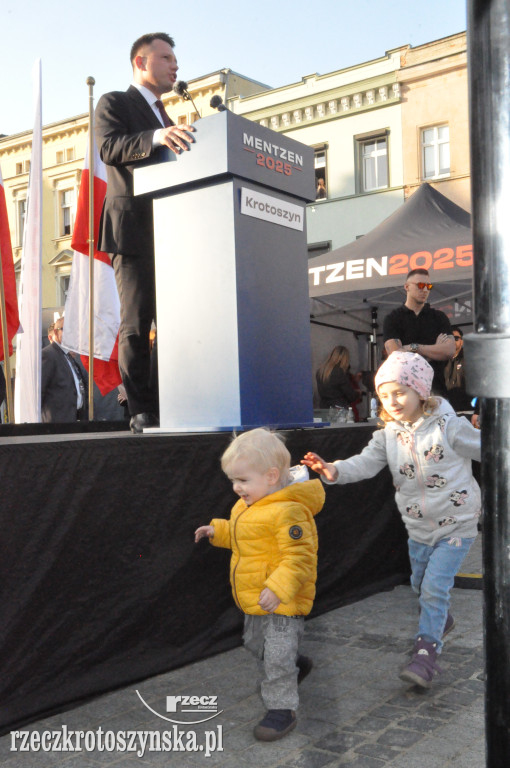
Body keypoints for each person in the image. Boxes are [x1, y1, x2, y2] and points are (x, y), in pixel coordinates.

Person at [302, 351, 481, 689]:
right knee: (421, 587)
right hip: (417, 527)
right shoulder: (388, 434)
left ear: (421, 391)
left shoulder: (449, 427)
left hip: (456, 524)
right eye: (384, 395)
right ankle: (439, 617)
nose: (392, 401)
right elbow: (365, 463)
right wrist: (334, 470)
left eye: (400, 392)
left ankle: (425, 655)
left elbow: (490, 448)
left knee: (432, 588)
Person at [195, 428, 325, 741]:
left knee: (276, 657)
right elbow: (247, 536)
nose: (236, 488)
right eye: (233, 481)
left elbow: (300, 559)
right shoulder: (247, 506)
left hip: (284, 600)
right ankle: (295, 662)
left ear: (270, 476)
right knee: (256, 644)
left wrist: (278, 588)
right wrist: (219, 532)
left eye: (242, 480)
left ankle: (282, 709)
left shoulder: (289, 511)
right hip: (255, 598)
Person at [95, 32, 196, 434]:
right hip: (133, 230)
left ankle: (171, 402)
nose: (175, 66)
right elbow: (109, 147)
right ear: (141, 62)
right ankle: (139, 410)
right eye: (167, 57)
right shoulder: (116, 102)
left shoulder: (170, 116)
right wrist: (157, 137)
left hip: (172, 233)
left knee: (173, 323)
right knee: (138, 323)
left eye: (176, 58)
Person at [383, 268, 455, 396]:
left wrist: (413, 347)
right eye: (420, 285)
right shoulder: (393, 318)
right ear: (407, 287)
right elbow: (396, 355)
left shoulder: (439, 317)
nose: (425, 290)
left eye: (429, 286)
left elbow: (449, 351)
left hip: (436, 391)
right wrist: (434, 350)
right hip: (406, 393)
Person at [41, 319, 87, 423]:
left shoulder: (68, 356)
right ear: (56, 332)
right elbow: (40, 391)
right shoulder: (48, 355)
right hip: (56, 423)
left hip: (74, 420)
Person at [316, 345, 361, 411]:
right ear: (345, 358)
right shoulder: (340, 372)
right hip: (339, 409)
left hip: (324, 408)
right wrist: (358, 393)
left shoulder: (321, 372)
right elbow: (351, 395)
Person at [444, 326, 472, 415]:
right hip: (449, 413)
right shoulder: (441, 361)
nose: (453, 341)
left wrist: (478, 412)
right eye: (450, 339)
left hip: (469, 412)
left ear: (462, 341)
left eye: (456, 338)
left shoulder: (470, 358)